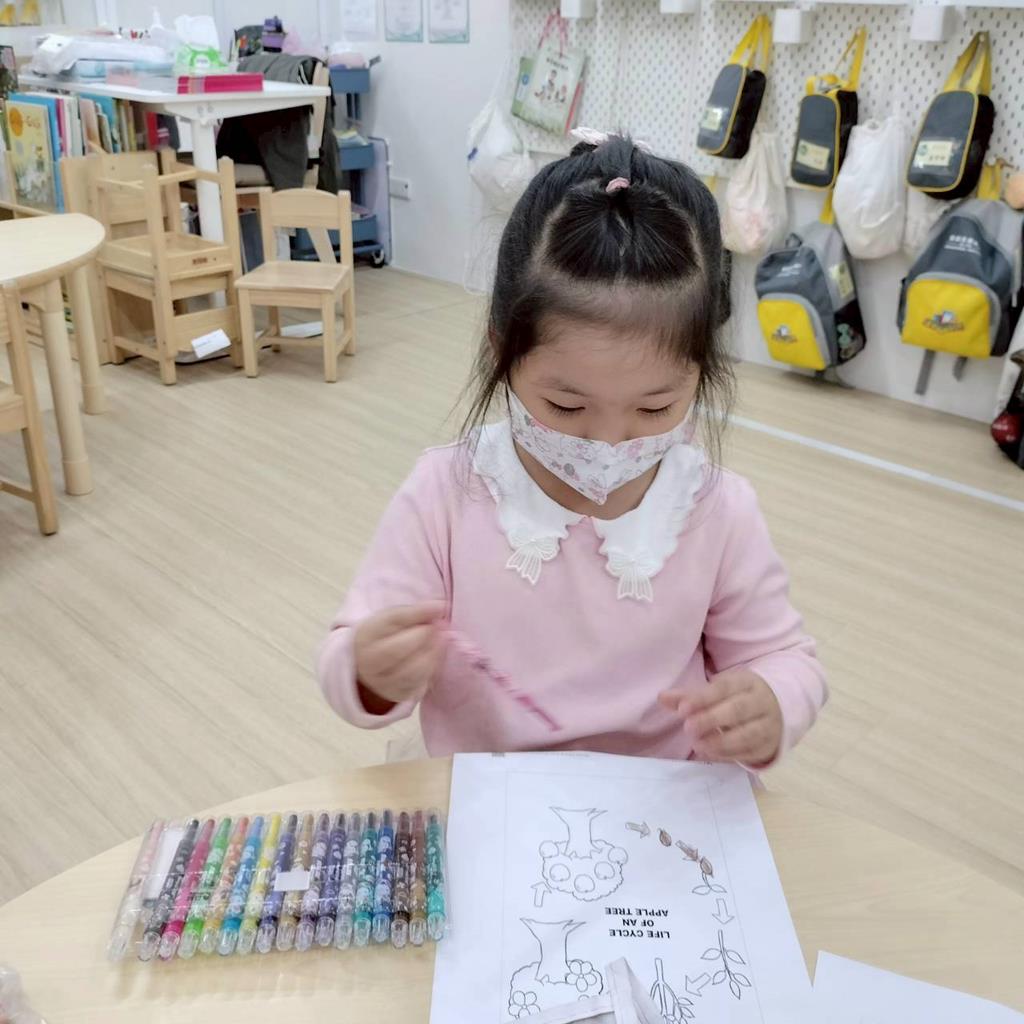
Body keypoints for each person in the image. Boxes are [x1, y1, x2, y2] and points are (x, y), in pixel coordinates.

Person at [317, 133, 826, 767]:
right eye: (566, 406)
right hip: (486, 789)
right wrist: (370, 669)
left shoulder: (717, 510)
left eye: (654, 409)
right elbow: (347, 654)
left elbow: (783, 658)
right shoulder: (446, 490)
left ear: (703, 374)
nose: (608, 442)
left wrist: (771, 703)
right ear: (501, 352)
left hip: (660, 798)